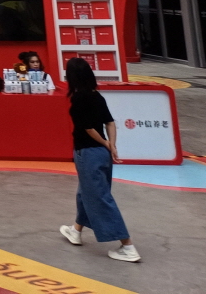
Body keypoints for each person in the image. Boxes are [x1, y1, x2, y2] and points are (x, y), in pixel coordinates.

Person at [59, 57, 140, 262]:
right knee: (85, 192)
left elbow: (88, 129)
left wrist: (105, 143)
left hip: (88, 153)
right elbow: (110, 122)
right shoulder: (97, 96)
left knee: (100, 198)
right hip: (102, 155)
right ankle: (76, 230)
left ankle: (127, 246)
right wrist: (112, 145)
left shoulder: (78, 99)